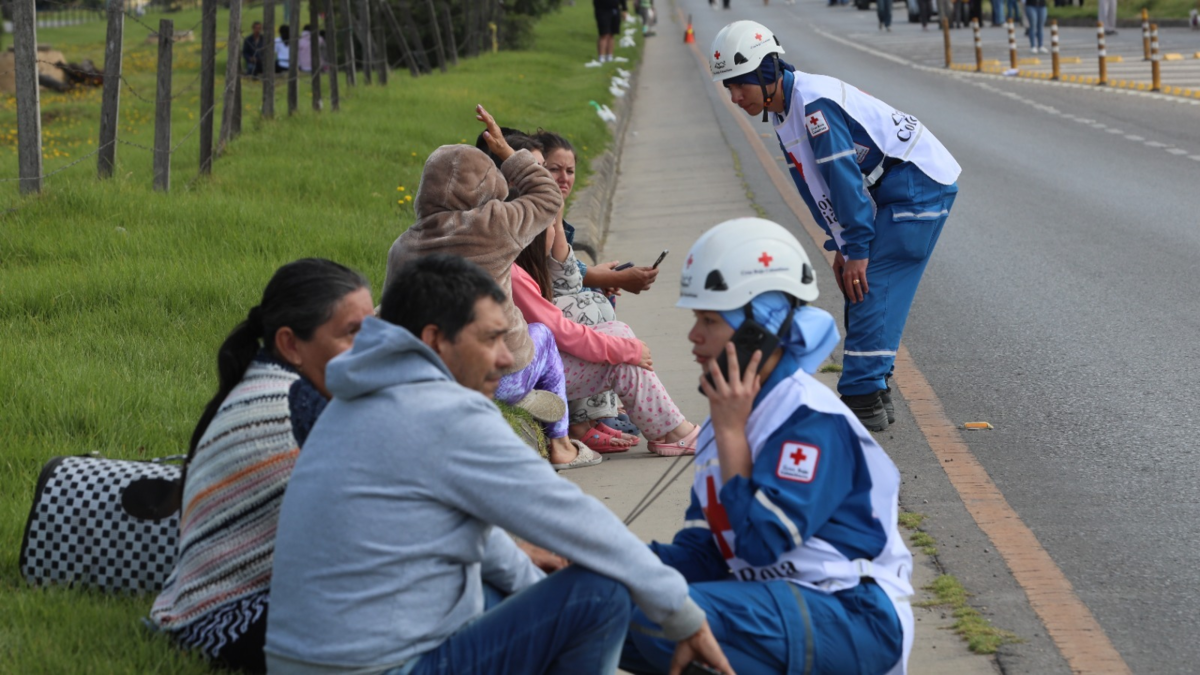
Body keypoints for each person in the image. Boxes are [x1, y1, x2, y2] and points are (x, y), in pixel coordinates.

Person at [263, 253, 733, 675]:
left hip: (306, 660)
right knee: (598, 591)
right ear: (435, 340)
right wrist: (684, 616)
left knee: (512, 586)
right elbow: (573, 519)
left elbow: (469, 538)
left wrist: (533, 585)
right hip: (379, 666)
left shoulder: (362, 395)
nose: (508, 358)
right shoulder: (446, 413)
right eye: (491, 338)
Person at [620, 218, 915, 675]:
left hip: (853, 612)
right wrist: (605, 562)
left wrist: (734, 436)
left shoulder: (809, 420)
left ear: (758, 332)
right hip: (774, 606)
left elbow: (760, 544)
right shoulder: (730, 416)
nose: (693, 337)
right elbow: (705, 552)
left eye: (710, 320)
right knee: (600, 605)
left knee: (659, 618)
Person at [709, 20, 961, 432]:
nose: (735, 97)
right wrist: (841, 246)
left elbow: (842, 182)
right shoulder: (783, 109)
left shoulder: (813, 106)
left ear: (767, 72)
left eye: (741, 84)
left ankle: (862, 399)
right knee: (860, 287)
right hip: (898, 185)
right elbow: (813, 184)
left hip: (918, 184)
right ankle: (874, 390)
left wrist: (858, 248)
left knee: (870, 287)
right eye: (728, 88)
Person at [150, 259, 374, 673]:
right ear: (291, 345)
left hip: (209, 610)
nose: (372, 346)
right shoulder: (295, 406)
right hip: (230, 621)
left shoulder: (276, 384)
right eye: (352, 333)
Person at [386, 105, 599, 470]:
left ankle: (522, 402)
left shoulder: (403, 246)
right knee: (543, 337)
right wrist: (505, 152)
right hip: (499, 371)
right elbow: (548, 197)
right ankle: (561, 443)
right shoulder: (492, 224)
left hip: (429, 376)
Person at [513, 231, 701, 456]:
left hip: (527, 366)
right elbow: (560, 331)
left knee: (619, 332)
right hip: (520, 377)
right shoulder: (513, 275)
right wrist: (624, 350)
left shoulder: (512, 268)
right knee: (621, 358)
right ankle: (673, 432)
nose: (556, 230)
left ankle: (667, 428)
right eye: (551, 224)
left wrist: (623, 346)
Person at [589, 0, 627, 65]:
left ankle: (609, 56)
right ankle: (601, 57)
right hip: (602, 10)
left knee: (611, 34)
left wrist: (624, 9)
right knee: (604, 34)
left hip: (615, 9)